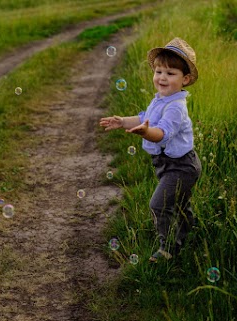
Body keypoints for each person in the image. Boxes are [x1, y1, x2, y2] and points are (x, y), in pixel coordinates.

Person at [99, 37, 202, 262]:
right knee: (179, 202)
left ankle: (168, 248)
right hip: (168, 164)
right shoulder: (161, 99)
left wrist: (146, 133)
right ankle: (189, 227)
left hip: (181, 166)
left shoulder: (176, 107)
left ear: (185, 79)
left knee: (159, 204)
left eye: (170, 73)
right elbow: (145, 118)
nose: (162, 77)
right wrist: (122, 121)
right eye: (158, 71)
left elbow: (162, 132)